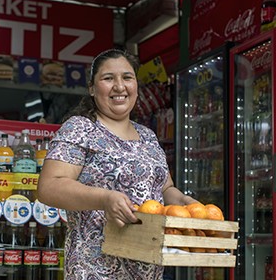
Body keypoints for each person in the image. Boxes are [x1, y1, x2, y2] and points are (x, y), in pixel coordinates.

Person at [37, 49, 198, 279]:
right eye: (108, 78)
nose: (119, 86)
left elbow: (164, 189)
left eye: (127, 77)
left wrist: (185, 202)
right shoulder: (81, 128)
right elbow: (49, 187)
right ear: (92, 88)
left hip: (148, 271)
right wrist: (105, 199)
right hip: (95, 270)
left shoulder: (148, 136)